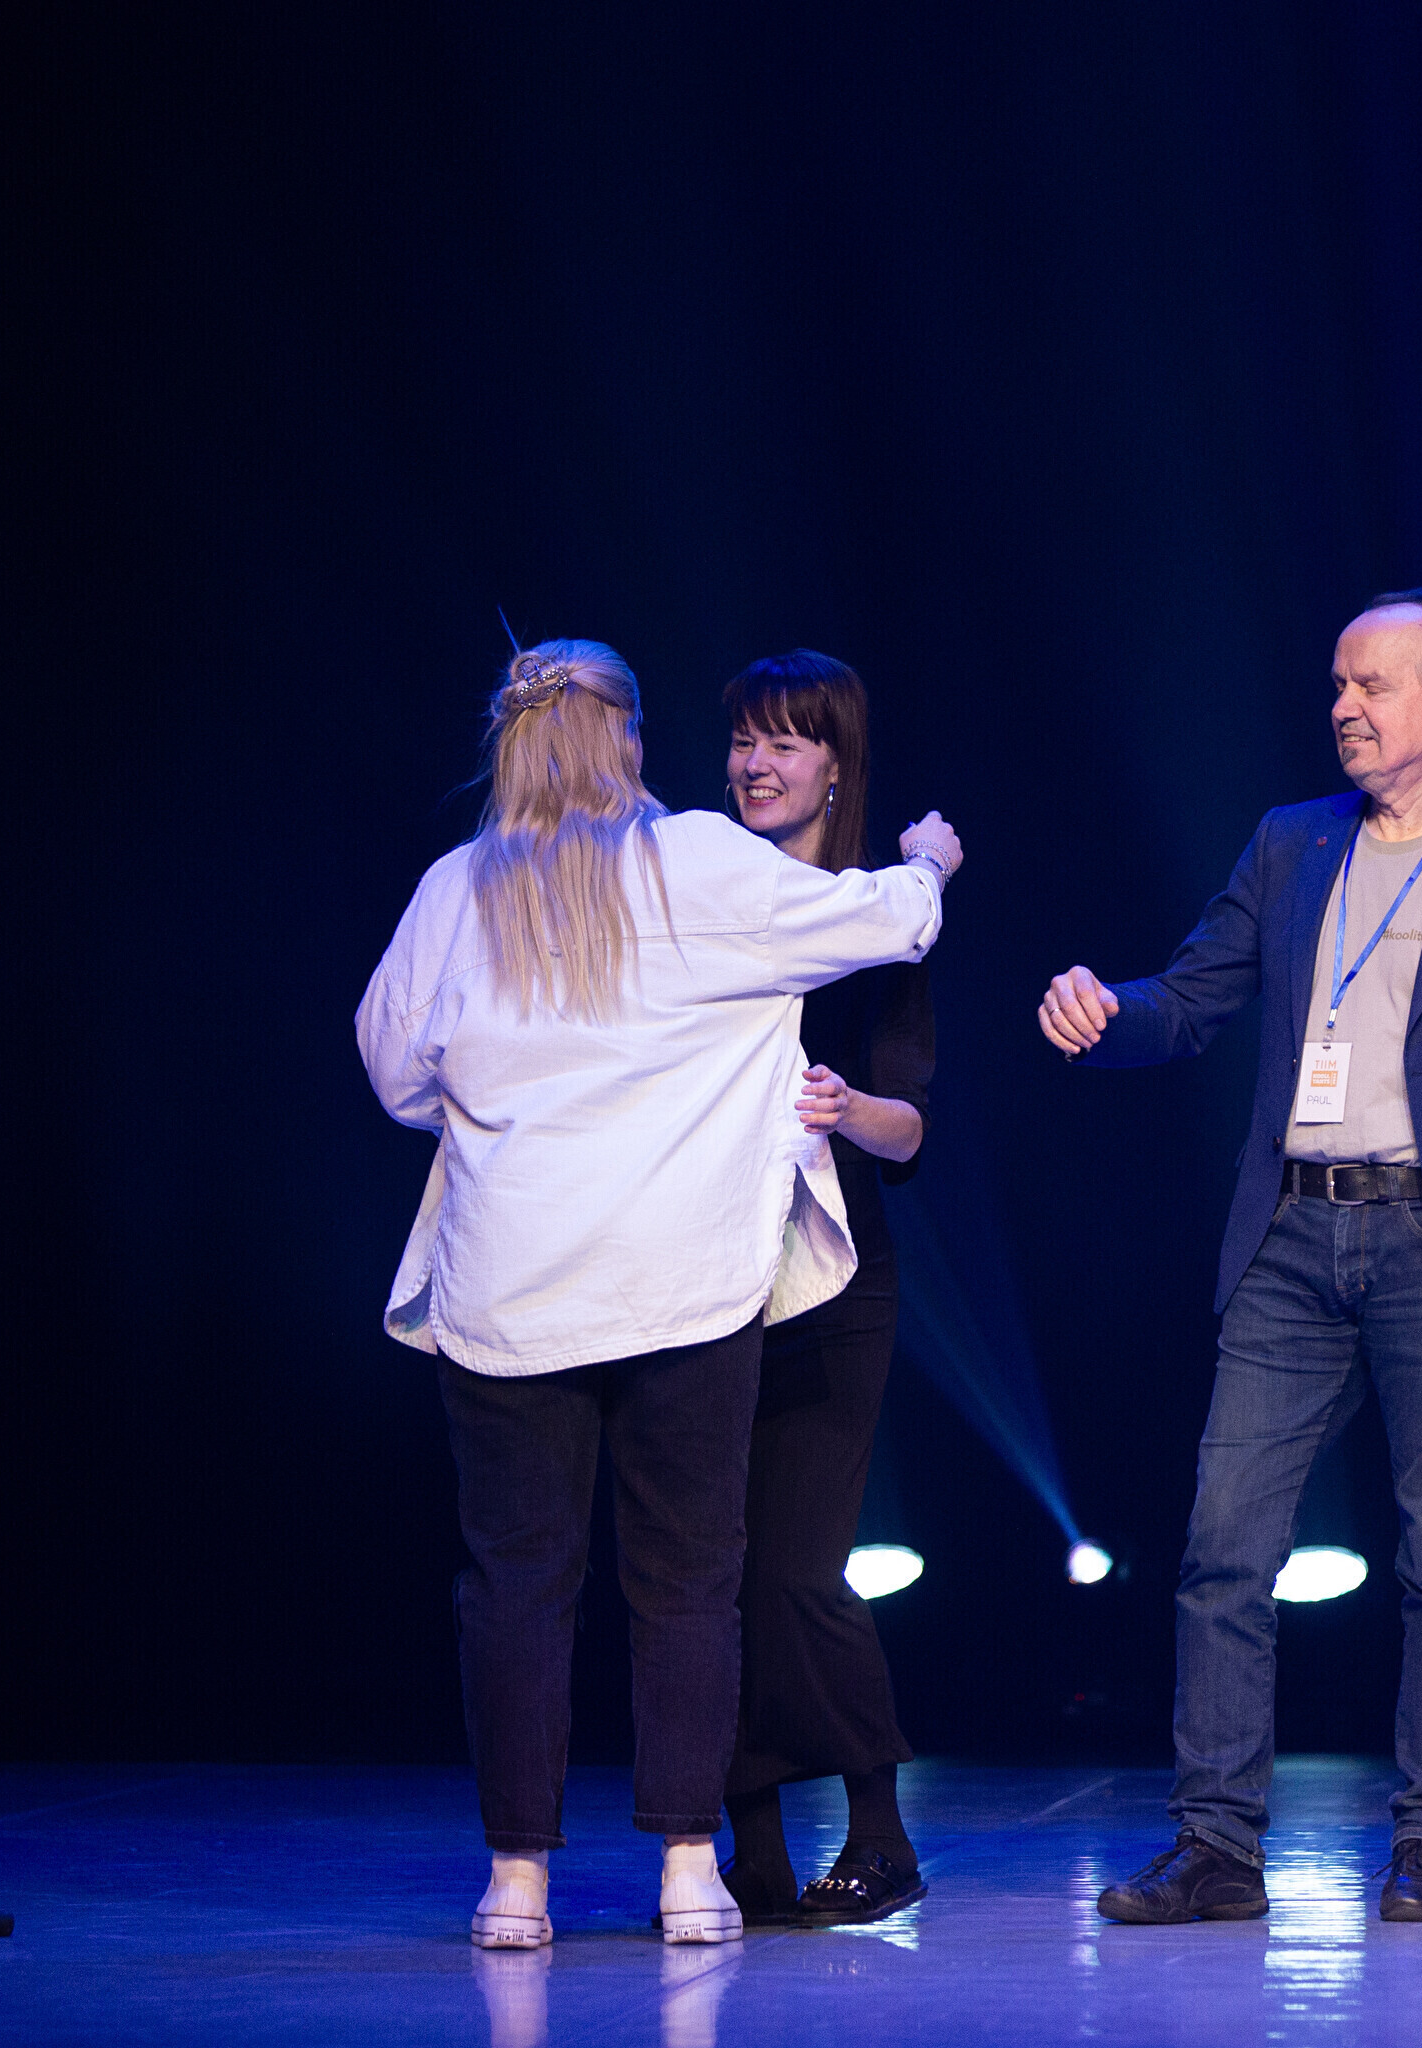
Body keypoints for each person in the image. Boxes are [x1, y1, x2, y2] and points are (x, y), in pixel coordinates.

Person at [356, 639, 963, 1949]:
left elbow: (395, 1071)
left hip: (512, 1294)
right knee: (686, 1581)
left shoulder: (457, 888)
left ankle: (516, 1881)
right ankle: (691, 1868)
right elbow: (890, 920)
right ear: (626, 738)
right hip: (681, 1293)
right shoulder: (698, 860)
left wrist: (517, 1110)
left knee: (516, 1587)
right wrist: (928, 859)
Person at [1038, 589, 1422, 1926]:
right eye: (1338, 684)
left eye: (1373, 684)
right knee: (1222, 1545)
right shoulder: (1291, 843)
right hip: (1291, 1234)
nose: (1344, 707)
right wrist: (1103, 1012)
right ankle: (1215, 1845)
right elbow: (1188, 999)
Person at [713, 652, 937, 1929]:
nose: (755, 763)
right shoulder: (696, 897)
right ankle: (750, 1848)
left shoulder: (877, 923)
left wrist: (848, 1106)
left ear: (835, 766)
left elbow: (911, 1127)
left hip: (833, 1284)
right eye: (743, 739)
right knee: (709, 1573)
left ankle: (880, 1831)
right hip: (696, 1274)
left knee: (798, 1566)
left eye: (785, 742)